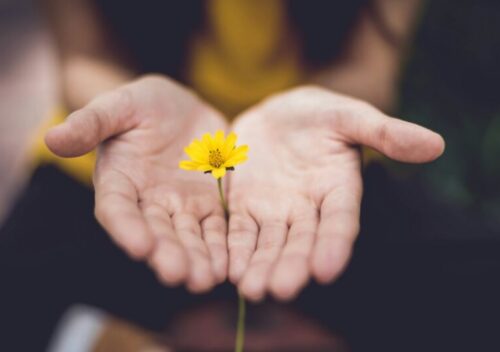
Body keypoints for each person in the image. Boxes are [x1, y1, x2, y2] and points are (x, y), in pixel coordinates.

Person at [1, 0, 499, 350]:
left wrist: (321, 109)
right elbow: (84, 57)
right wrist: (122, 111)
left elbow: (368, 70)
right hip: (133, 167)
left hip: (309, 171)